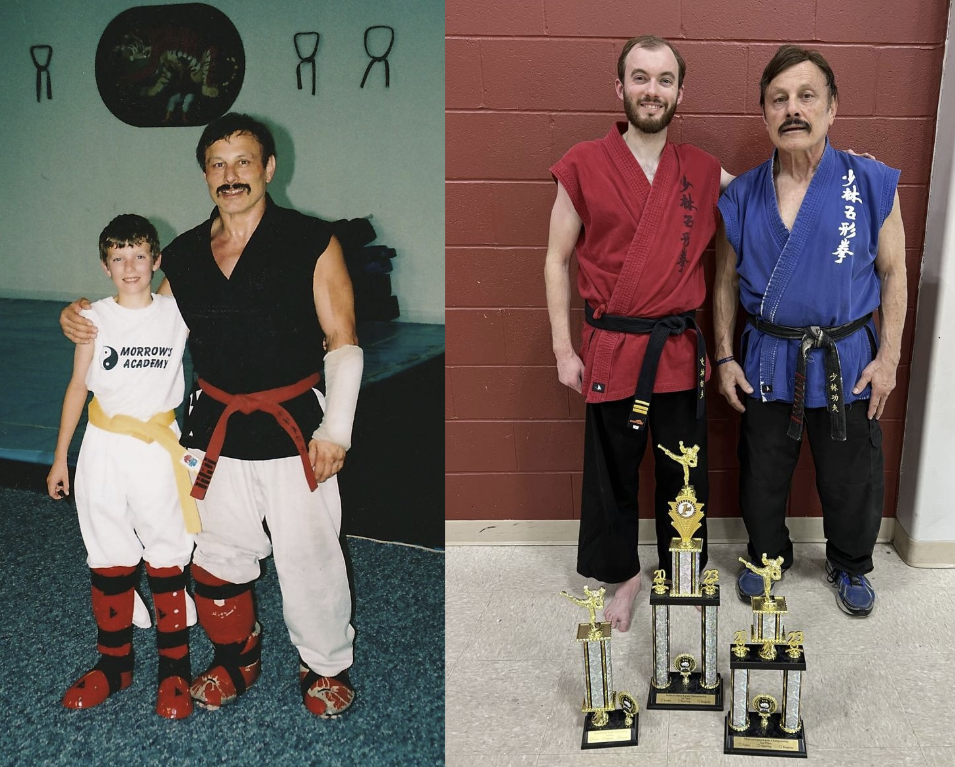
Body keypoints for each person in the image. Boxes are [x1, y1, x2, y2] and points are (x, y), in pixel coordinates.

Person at [60, 113, 363, 717]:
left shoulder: (312, 241)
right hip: (216, 429)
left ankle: (325, 666)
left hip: (295, 425)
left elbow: (343, 339)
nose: (231, 176)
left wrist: (338, 430)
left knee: (310, 556)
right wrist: (81, 318)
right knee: (218, 557)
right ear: (205, 175)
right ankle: (234, 657)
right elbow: (140, 310)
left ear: (269, 168)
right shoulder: (185, 255)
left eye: (244, 161)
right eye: (218, 165)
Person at [545, 36, 732, 632]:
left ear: (681, 91)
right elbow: (556, 259)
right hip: (611, 346)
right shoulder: (582, 163)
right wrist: (562, 348)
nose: (653, 90)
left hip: (678, 348)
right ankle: (622, 575)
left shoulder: (704, 171)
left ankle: (680, 573)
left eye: (665, 79)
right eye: (641, 78)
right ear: (619, 87)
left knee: (685, 470)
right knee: (612, 474)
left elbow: (762, 200)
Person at [713, 45, 905, 617]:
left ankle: (849, 563)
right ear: (765, 113)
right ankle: (766, 558)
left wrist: (889, 357)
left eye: (806, 96)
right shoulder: (741, 193)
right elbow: (723, 282)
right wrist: (724, 357)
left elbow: (893, 272)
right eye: (779, 99)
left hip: (849, 354)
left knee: (852, 477)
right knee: (763, 472)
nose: (792, 109)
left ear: (832, 107)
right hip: (768, 357)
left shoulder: (870, 182)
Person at [47, 214, 197, 719]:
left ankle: (174, 668)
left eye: (140, 256)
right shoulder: (95, 317)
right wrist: (60, 455)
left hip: (158, 448)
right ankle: (114, 663)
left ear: (156, 262)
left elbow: (204, 257)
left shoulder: (179, 312)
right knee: (107, 551)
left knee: (166, 553)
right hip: (103, 447)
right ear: (104, 265)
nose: (130, 267)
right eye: (118, 258)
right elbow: (76, 386)